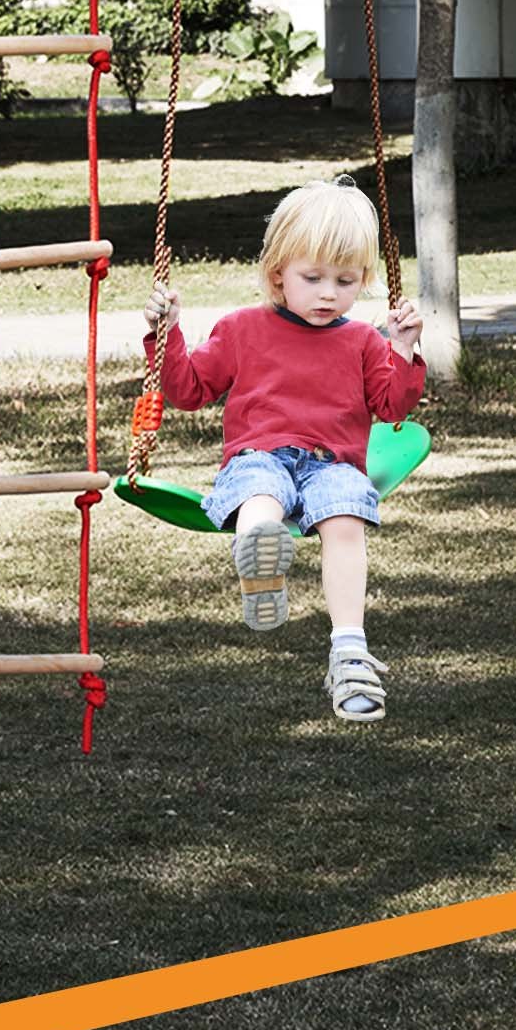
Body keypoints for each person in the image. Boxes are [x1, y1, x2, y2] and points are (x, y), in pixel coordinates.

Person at [142, 176, 424, 723]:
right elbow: (188, 391)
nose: (327, 294)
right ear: (278, 275)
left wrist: (404, 350)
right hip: (260, 457)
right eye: (312, 277)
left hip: (332, 465)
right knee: (261, 494)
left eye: (344, 281)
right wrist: (167, 334)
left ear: (363, 279)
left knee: (345, 519)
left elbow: (392, 408)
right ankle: (261, 562)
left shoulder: (364, 342)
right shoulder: (242, 328)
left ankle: (349, 652)